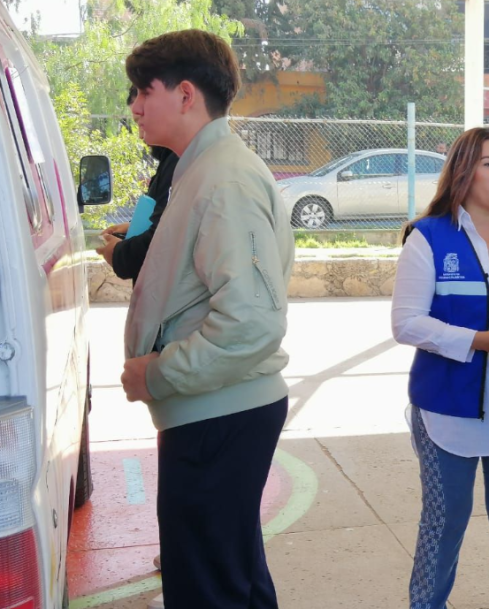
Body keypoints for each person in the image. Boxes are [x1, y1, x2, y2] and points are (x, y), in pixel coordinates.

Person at [119, 30, 294, 609]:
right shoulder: (202, 168)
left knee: (207, 590)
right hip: (215, 409)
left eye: (144, 91)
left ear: (186, 94)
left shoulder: (223, 178)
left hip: (219, 412)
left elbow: (250, 323)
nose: (135, 107)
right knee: (233, 579)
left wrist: (157, 374)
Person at [391, 127, 489, 609]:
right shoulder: (428, 236)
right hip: (447, 410)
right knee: (444, 524)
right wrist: (478, 341)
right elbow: (406, 323)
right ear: (463, 170)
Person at [95, 86, 180, 283]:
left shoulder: (180, 162)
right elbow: (162, 222)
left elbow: (160, 244)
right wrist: (132, 228)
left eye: (142, 121)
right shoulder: (172, 160)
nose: (142, 136)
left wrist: (118, 253)